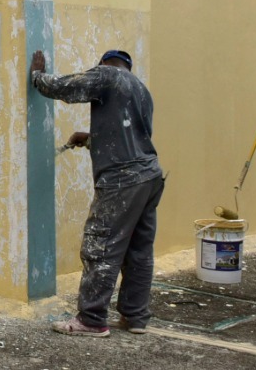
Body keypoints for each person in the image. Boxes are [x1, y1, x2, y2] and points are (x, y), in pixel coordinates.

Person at [28, 48, 165, 337]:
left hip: (122, 181)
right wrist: (92, 139)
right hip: (149, 177)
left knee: (101, 247)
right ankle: (136, 317)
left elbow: (66, 87)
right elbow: (132, 137)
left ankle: (91, 319)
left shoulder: (106, 74)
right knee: (138, 251)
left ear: (104, 63)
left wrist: (38, 77)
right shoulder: (141, 90)